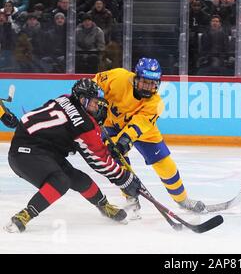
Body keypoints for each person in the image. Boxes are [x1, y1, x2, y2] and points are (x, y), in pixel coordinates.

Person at [3, 79, 142, 233]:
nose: (97, 107)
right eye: (94, 102)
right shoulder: (84, 124)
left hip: (41, 149)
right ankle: (24, 216)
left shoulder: (65, 98)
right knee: (60, 182)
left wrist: (100, 142)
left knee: (78, 178)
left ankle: (104, 206)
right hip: (26, 154)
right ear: (82, 99)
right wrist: (125, 179)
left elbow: (71, 130)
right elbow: (99, 161)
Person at [93, 57, 206, 213]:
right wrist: (96, 102)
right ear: (136, 78)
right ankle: (131, 198)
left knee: (166, 164)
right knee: (118, 160)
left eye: (153, 83)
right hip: (110, 125)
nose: (148, 87)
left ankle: (182, 200)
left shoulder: (156, 103)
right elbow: (95, 83)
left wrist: (125, 140)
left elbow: (139, 125)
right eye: (145, 82)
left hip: (142, 131)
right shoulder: (118, 77)